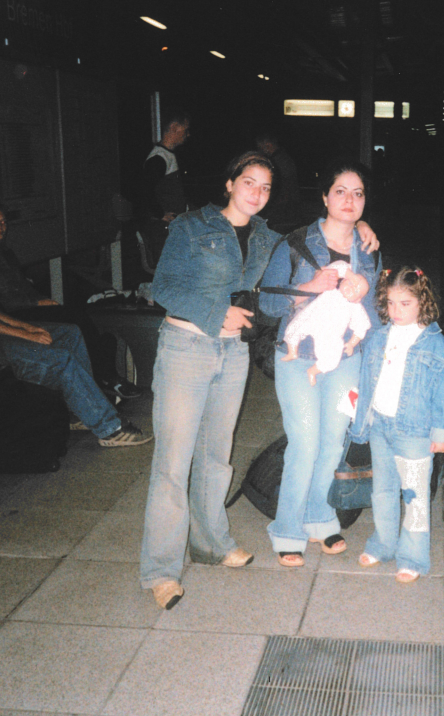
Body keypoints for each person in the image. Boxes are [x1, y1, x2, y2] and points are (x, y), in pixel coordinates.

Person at [139, 151, 281, 610]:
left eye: (265, 187)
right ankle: (161, 571)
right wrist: (215, 313)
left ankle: (210, 544)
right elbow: (162, 287)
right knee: (172, 465)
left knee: (216, 457)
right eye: (249, 182)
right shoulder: (191, 226)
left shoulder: (266, 239)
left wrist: (358, 228)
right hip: (185, 349)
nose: (257, 193)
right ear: (229, 183)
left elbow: (309, 249)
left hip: (233, 353)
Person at [0, 215, 151, 448]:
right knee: (62, 360)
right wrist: (27, 335)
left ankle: (80, 411)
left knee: (70, 333)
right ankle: (109, 429)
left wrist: (26, 326)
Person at [258, 160, 383, 567]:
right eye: (341, 191)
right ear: (325, 197)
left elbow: (373, 315)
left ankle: (318, 515)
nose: (349, 200)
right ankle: (287, 527)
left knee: (333, 441)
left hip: (346, 358)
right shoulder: (294, 243)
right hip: (298, 356)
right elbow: (267, 304)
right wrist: (306, 289)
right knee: (305, 440)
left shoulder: (369, 251)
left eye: (358, 193)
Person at [0, 199, 142, 400]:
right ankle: (104, 376)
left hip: (24, 306)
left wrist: (41, 299)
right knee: (74, 317)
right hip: (9, 314)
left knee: (77, 314)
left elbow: (24, 287)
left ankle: (102, 373)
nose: (0, 227)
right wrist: (36, 303)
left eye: (2, 222)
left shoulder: (5, 253)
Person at [350, 266, 444, 583]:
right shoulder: (379, 336)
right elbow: (366, 381)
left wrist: (442, 433)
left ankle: (412, 557)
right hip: (381, 425)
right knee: (382, 491)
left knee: (414, 497)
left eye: (405, 304)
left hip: (414, 431)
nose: (396, 311)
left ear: (422, 302)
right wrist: (360, 420)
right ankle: (383, 544)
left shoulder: (436, 345)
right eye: (391, 303)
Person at [281, 261, 371, 386]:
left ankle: (313, 371)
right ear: (343, 280)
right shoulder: (331, 289)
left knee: (332, 357)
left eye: (356, 289)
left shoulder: (355, 307)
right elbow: (334, 268)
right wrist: (351, 274)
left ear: (358, 299)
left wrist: (351, 343)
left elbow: (361, 327)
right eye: (349, 282)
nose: (351, 287)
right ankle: (292, 351)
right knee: (294, 328)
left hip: (329, 334)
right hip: (311, 318)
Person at [137, 112, 191, 267]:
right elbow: (144, 190)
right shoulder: (159, 158)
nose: (188, 134)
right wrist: (159, 214)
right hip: (163, 230)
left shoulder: (168, 156)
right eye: (185, 129)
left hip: (172, 228)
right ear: (174, 127)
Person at [256, 132, 300, 232]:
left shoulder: (278, 161)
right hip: (285, 208)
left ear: (268, 144)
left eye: (261, 146)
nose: (260, 150)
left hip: (282, 210)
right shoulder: (282, 158)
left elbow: (285, 187)